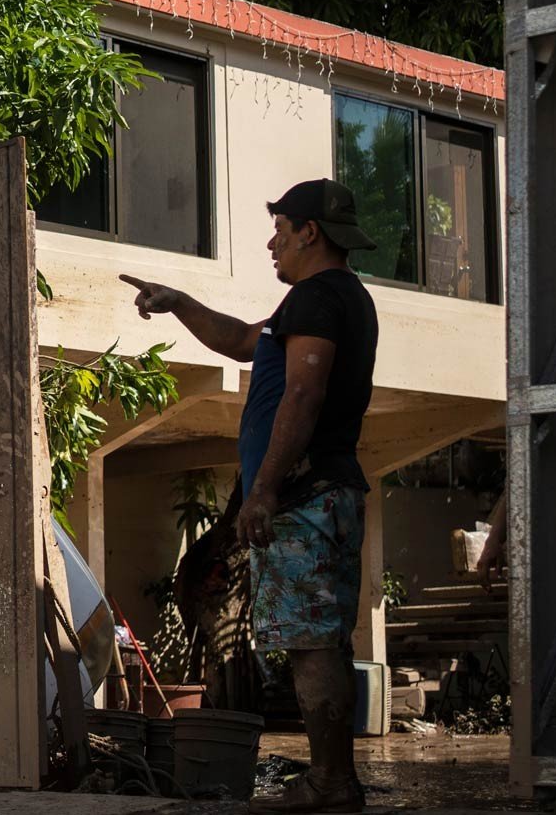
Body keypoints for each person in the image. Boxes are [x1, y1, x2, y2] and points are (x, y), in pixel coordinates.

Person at [119, 179, 379, 814]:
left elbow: (303, 394)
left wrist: (263, 489)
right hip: (316, 493)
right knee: (317, 639)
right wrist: (179, 302)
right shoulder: (323, 301)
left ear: (310, 233)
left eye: (280, 230)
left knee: (312, 642)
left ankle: (331, 782)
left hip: (306, 495)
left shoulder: (320, 297)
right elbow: (241, 341)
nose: (271, 244)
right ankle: (333, 779)